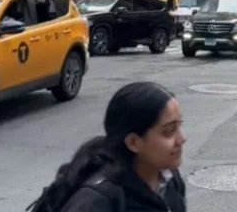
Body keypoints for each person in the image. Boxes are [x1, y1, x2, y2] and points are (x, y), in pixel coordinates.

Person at [28, 82, 187, 212]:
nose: (182, 138)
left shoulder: (168, 177)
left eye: (180, 125)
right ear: (133, 142)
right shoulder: (98, 202)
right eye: (169, 130)